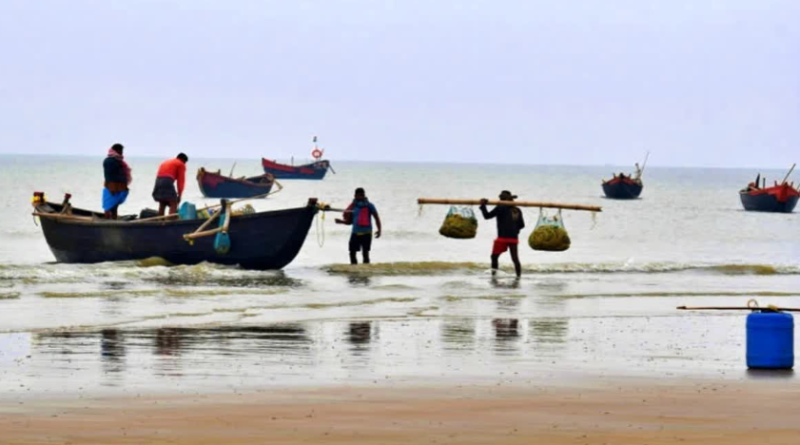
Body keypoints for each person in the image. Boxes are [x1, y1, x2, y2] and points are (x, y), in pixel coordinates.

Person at [480, 190, 525, 278]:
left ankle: (494, 276)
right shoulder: (517, 209)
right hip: (514, 238)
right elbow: (522, 225)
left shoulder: (500, 207)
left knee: (494, 257)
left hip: (502, 238)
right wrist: (515, 230)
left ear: (502, 199)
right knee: (515, 259)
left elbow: (487, 216)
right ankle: (518, 277)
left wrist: (483, 205)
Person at [335, 188, 382, 265]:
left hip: (367, 233)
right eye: (359, 195)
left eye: (362, 195)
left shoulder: (370, 206)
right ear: (355, 196)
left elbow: (376, 218)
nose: (361, 197)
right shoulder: (352, 207)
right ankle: (354, 269)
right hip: (355, 233)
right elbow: (350, 222)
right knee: (352, 253)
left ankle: (366, 269)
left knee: (365, 253)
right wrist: (341, 221)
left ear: (364, 195)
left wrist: (379, 230)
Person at [102, 143, 132, 219]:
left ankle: (113, 221)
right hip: (112, 188)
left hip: (116, 187)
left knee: (113, 206)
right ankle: (108, 222)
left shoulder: (116, 160)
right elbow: (110, 175)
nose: (122, 153)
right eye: (121, 151)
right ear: (117, 151)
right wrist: (112, 188)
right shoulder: (110, 161)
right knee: (108, 207)